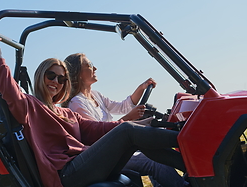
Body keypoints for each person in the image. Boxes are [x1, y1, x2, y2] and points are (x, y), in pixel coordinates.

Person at [0, 28, 186, 187]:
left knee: (133, 137)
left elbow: (98, 129)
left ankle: (192, 164)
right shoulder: (29, 105)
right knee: (127, 133)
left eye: (62, 78)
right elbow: (9, 91)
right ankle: (191, 139)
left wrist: (141, 123)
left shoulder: (67, 113)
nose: (56, 81)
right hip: (66, 174)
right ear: (40, 77)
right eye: (51, 76)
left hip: (82, 164)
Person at [64, 53, 189, 187]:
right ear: (78, 73)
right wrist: (129, 118)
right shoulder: (77, 103)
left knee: (151, 146)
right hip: (106, 156)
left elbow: (123, 107)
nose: (95, 69)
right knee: (154, 162)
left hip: (117, 149)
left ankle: (189, 169)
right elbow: (98, 136)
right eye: (89, 65)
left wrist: (142, 88)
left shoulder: (95, 95)